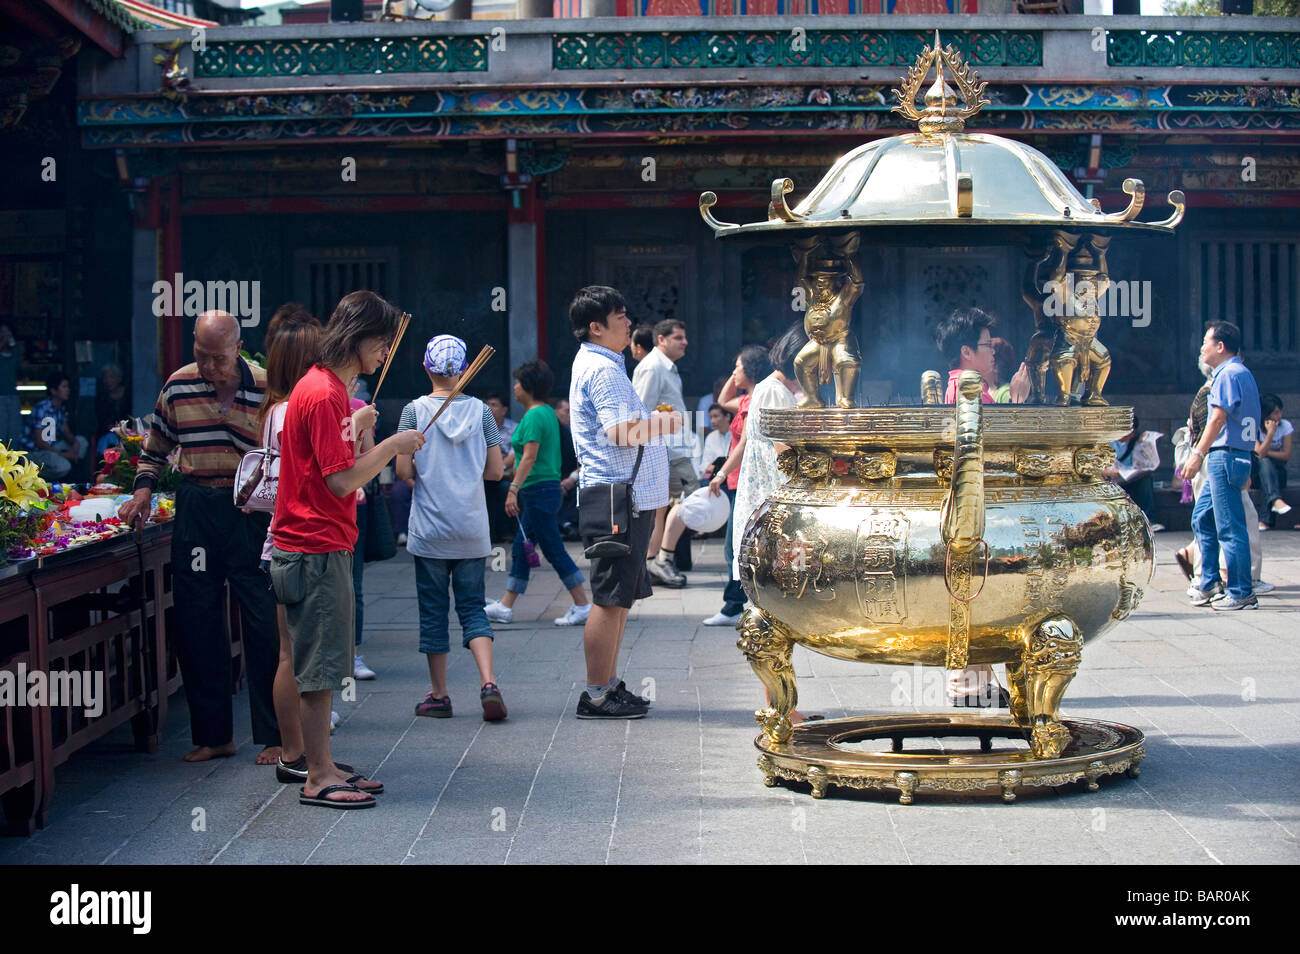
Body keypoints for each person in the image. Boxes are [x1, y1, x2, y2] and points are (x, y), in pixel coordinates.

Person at [270, 291, 424, 808]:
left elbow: (329, 461)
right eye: (381, 342)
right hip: (313, 543)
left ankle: (320, 761)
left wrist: (361, 430)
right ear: (359, 338)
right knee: (317, 666)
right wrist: (392, 447)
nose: (384, 352)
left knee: (317, 659)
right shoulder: (324, 391)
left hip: (319, 541)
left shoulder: (326, 388)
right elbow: (341, 482)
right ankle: (316, 775)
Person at [118, 311, 281, 764]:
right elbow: (155, 449)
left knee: (262, 617)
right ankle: (214, 735)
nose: (209, 366)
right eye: (200, 355)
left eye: (218, 357)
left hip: (250, 511)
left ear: (238, 346)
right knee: (196, 616)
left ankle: (273, 734)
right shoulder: (178, 385)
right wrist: (144, 491)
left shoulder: (267, 387)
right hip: (197, 508)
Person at [568, 285, 678, 719]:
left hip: (624, 495)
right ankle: (596, 692)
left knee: (618, 599)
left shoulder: (603, 364)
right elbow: (621, 433)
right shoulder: (603, 369)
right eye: (620, 316)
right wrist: (663, 424)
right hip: (619, 497)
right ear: (596, 327)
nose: (629, 323)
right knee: (608, 597)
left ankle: (609, 684)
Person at [254, 310, 350, 781]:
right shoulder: (298, 406)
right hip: (298, 539)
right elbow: (331, 476)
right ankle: (300, 756)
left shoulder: (280, 407)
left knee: (293, 653)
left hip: (284, 537)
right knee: (298, 656)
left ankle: (299, 754)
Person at [396, 335, 507, 722]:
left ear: (426, 367)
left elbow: (403, 470)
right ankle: (488, 682)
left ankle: (440, 695)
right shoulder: (482, 412)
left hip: (429, 530)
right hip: (472, 528)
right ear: (463, 370)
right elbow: (496, 472)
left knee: (433, 612)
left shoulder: (413, 412)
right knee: (473, 608)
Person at [934, 308, 1010, 707]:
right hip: (970, 505)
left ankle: (977, 680)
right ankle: (966, 685)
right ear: (966, 350)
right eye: (986, 344)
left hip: (969, 503)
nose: (992, 351)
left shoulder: (966, 383)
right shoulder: (966, 386)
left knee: (975, 591)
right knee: (973, 590)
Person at [484, 360, 592, 627]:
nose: (515, 387)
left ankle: (583, 604)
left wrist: (512, 488)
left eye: (518, 382)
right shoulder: (544, 413)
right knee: (522, 547)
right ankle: (506, 606)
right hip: (542, 489)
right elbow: (517, 456)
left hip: (539, 490)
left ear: (529, 387)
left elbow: (529, 457)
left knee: (553, 549)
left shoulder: (534, 416)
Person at [1181, 321, 1262, 611]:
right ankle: (1210, 581)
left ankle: (1241, 592)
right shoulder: (1240, 372)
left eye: (1206, 341)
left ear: (1220, 346)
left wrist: (1197, 454)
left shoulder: (1228, 374)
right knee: (1202, 518)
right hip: (1232, 455)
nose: (1202, 347)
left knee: (1230, 526)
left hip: (1225, 455)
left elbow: (1217, 418)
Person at [704, 345, 772, 626]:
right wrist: (737, 376)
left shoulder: (761, 398)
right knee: (738, 545)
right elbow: (722, 399)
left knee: (738, 547)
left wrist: (719, 473)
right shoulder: (746, 400)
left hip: (750, 479)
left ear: (752, 371)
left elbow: (744, 444)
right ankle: (742, 603)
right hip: (737, 479)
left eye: (738, 367)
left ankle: (736, 604)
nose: (733, 372)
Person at [633, 318, 697, 588]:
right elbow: (640, 413)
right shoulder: (653, 367)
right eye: (678, 338)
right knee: (690, 499)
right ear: (661, 339)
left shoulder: (667, 367)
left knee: (662, 507)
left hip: (673, 448)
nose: (684, 342)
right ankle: (662, 558)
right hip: (666, 449)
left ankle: (653, 561)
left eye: (684, 337)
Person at [349, 377, 378, 682]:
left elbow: (370, 460)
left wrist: (361, 483)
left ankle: (354, 652)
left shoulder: (360, 409)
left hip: (353, 508)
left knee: (353, 584)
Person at [25, 373, 89, 480]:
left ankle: (68, 463)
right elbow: (39, 442)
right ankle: (36, 476)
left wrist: (75, 443)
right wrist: (65, 455)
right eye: (64, 387)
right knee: (63, 466)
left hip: (54, 446)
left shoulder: (60, 408)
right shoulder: (42, 408)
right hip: (36, 451)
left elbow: (66, 431)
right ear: (53, 391)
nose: (67, 390)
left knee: (82, 441)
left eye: (68, 387)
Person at [1104, 420, 1162, 530]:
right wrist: (1109, 472)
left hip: (1130, 479)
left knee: (1146, 480)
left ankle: (1149, 520)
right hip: (1111, 479)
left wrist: (1142, 470)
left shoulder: (1138, 441)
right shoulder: (1105, 442)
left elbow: (1147, 465)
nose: (1130, 435)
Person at [483, 391, 516, 543]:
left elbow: (513, 454)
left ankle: (504, 531)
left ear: (504, 409)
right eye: (487, 404)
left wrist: (499, 467)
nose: (489, 408)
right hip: (483, 472)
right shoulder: (479, 427)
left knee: (503, 488)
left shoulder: (513, 428)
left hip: (506, 472)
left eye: (494, 405)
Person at [1254, 393, 1292, 529]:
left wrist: (1266, 453)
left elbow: (1286, 455)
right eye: (1275, 413)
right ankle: (1274, 501)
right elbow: (1259, 455)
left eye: (1280, 411)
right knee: (1264, 464)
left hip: (1278, 472)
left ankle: (1266, 518)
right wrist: (1270, 434)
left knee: (1268, 468)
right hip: (1255, 474)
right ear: (1266, 413)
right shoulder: (1254, 427)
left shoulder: (1285, 426)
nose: (1279, 416)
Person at [553, 396, 581, 538]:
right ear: (555, 412)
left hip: (572, 479)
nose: (570, 415)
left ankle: (568, 524)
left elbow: (584, 463)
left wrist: (571, 479)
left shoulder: (577, 433)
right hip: (552, 479)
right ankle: (564, 525)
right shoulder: (551, 432)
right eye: (567, 411)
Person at [94, 363, 130, 453]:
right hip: (109, 434)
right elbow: (102, 421)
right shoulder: (101, 398)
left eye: (111, 377)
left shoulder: (129, 395)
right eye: (105, 378)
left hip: (129, 433)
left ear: (119, 378)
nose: (108, 381)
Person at [697, 402, 732, 481]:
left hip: (732, 478)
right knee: (704, 482)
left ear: (727, 416)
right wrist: (708, 467)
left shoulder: (737, 434)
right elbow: (705, 465)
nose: (712, 421)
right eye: (711, 417)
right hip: (715, 477)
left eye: (716, 416)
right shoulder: (710, 437)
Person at [0, 323, 21, 444]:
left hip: (13, 396)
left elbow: (19, 367)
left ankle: (12, 462)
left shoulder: (14, 353)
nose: (5, 335)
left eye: (8, 332)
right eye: (2, 332)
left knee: (14, 432)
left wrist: (13, 345)